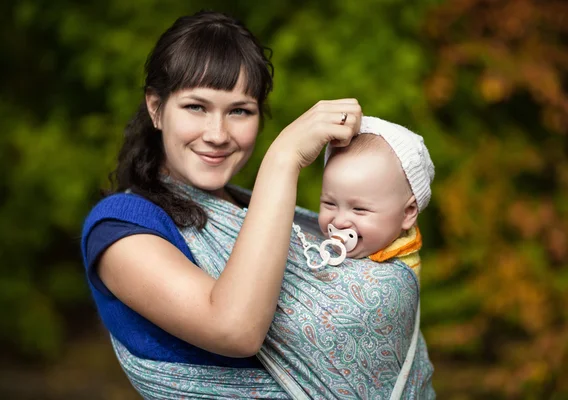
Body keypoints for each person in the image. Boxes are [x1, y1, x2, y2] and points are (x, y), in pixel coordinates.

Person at [80, 10, 434, 399]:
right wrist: (284, 157)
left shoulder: (264, 212)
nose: (217, 134)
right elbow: (234, 329)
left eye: (239, 111)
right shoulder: (120, 227)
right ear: (156, 108)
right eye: (196, 107)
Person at [319, 116, 435, 281]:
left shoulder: (392, 280)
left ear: (408, 213)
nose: (339, 222)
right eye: (330, 203)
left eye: (359, 209)